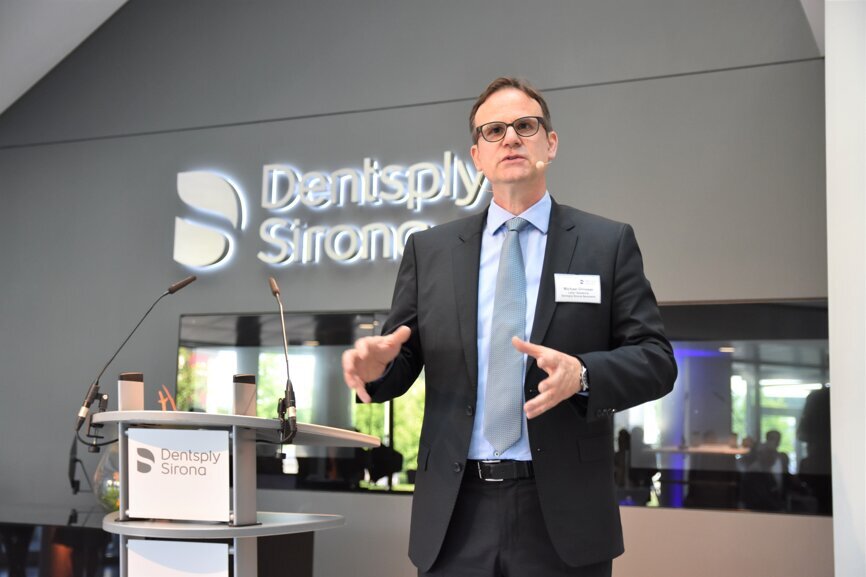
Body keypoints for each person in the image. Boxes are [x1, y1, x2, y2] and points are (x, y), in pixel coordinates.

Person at [343, 77, 677, 576]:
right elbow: (402, 359)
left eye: (525, 125)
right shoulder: (430, 251)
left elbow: (656, 360)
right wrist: (375, 368)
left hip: (563, 515)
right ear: (476, 156)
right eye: (494, 131)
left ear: (551, 142)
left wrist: (583, 375)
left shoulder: (605, 244)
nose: (511, 139)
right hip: (455, 514)